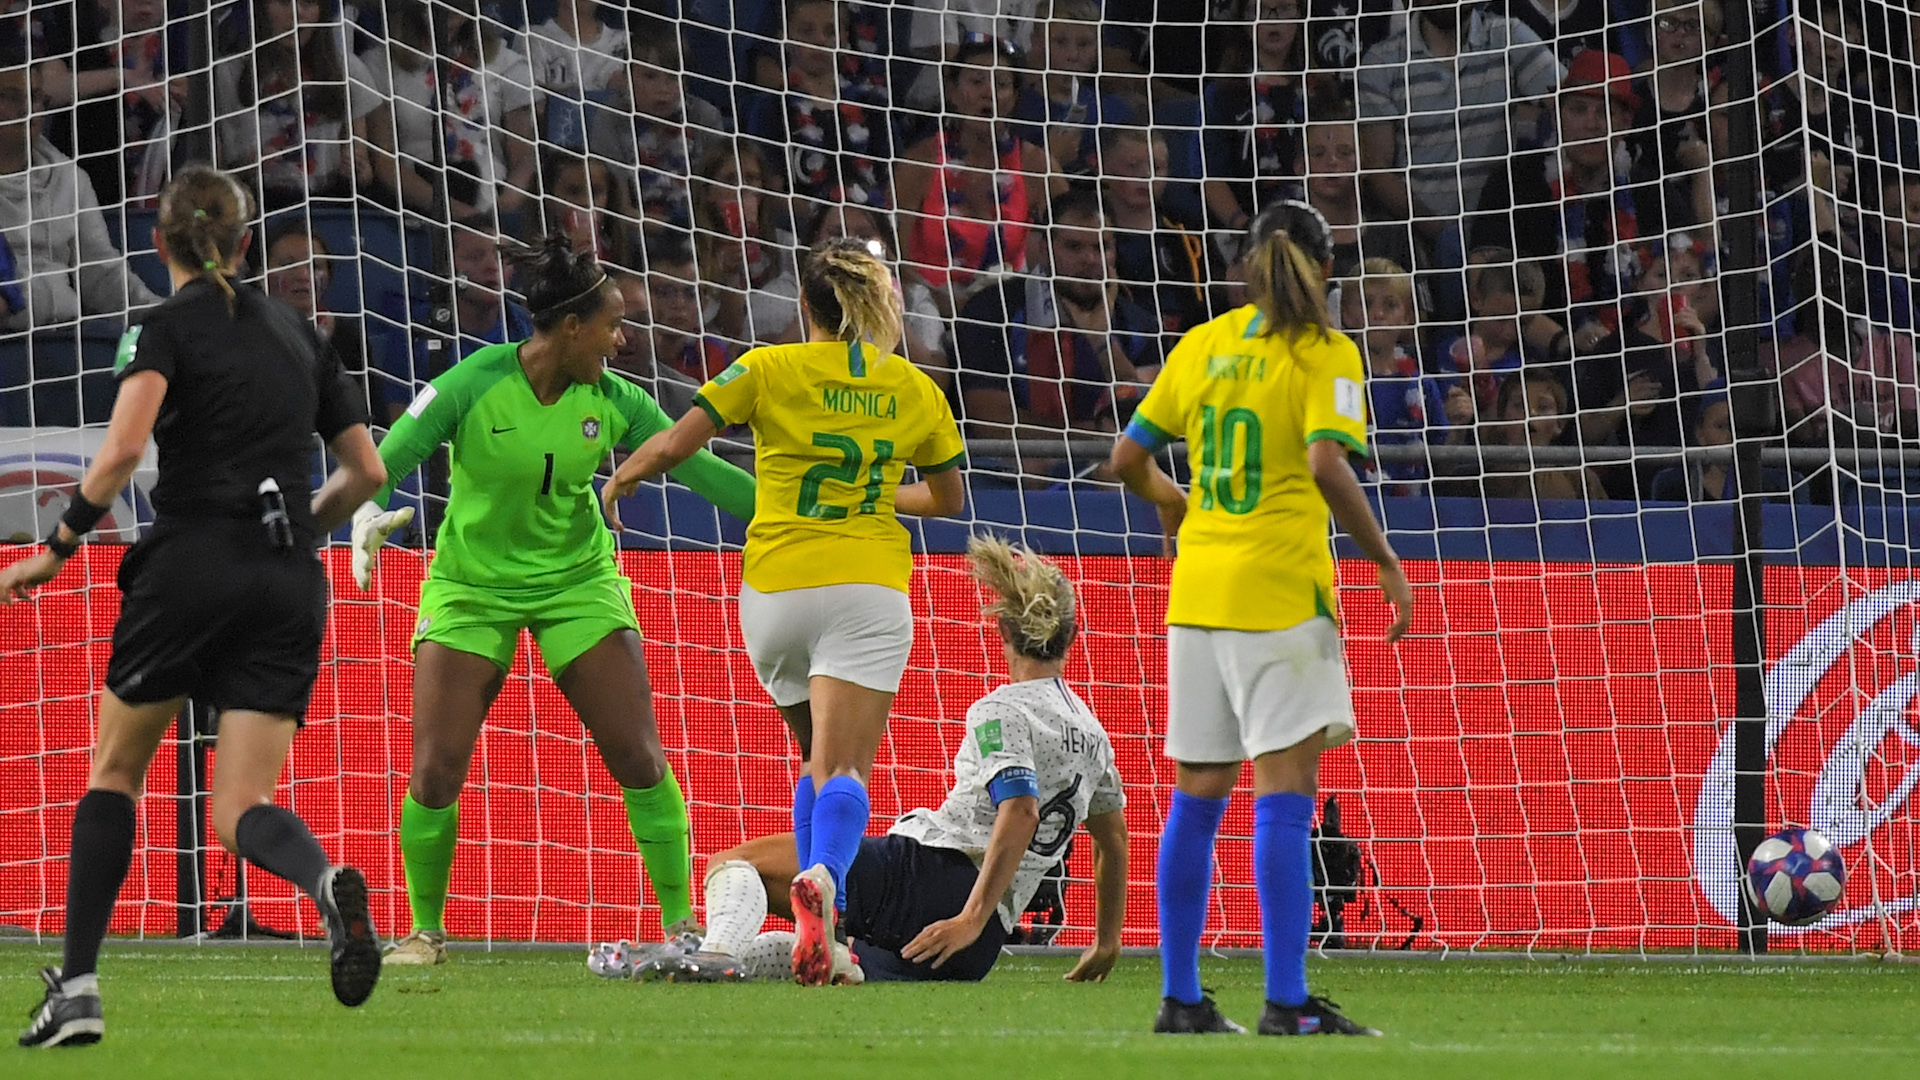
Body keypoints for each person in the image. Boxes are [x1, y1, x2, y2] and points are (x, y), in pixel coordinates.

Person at [2, 164, 389, 1046]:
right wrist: (303, 528)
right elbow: (366, 472)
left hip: (191, 563)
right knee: (241, 804)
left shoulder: (161, 326)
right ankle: (325, 881)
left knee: (115, 772)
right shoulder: (299, 331)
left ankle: (81, 989)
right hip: (288, 575)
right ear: (247, 243)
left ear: (156, 241)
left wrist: (54, 551)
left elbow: (119, 454)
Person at [358, 234, 758, 966]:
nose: (623, 337)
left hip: (578, 583)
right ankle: (423, 932)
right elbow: (387, 460)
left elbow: (697, 469)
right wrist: (368, 514)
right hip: (470, 588)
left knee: (638, 755)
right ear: (572, 329)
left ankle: (682, 929)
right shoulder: (472, 382)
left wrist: (778, 514)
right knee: (435, 770)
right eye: (612, 324)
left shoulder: (614, 398)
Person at [602, 236, 968, 986]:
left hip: (774, 592)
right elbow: (947, 498)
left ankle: (823, 937)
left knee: (810, 758)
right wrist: (867, 493)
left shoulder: (766, 367)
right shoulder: (914, 387)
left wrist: (624, 476)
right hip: (864, 585)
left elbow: (677, 442)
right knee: (846, 767)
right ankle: (826, 881)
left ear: (804, 306)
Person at [1108, 200, 1412, 1037]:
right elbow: (1324, 462)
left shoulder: (1203, 343)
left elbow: (1127, 459)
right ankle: (1286, 1001)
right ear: (1327, 267)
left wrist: (1172, 499)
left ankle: (1181, 999)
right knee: (1284, 797)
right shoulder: (1326, 351)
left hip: (1197, 594)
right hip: (1277, 595)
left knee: (1195, 802)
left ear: (1247, 262)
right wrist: (1384, 561)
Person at [625, 535, 1128, 984]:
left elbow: (1020, 810)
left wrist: (970, 914)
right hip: (974, 950)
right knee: (832, 952)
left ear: (1001, 633)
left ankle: (713, 952)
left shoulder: (1000, 709)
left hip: (934, 883)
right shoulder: (1092, 732)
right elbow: (1112, 841)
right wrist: (1106, 941)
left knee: (733, 865)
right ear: (1072, 636)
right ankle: (710, 960)